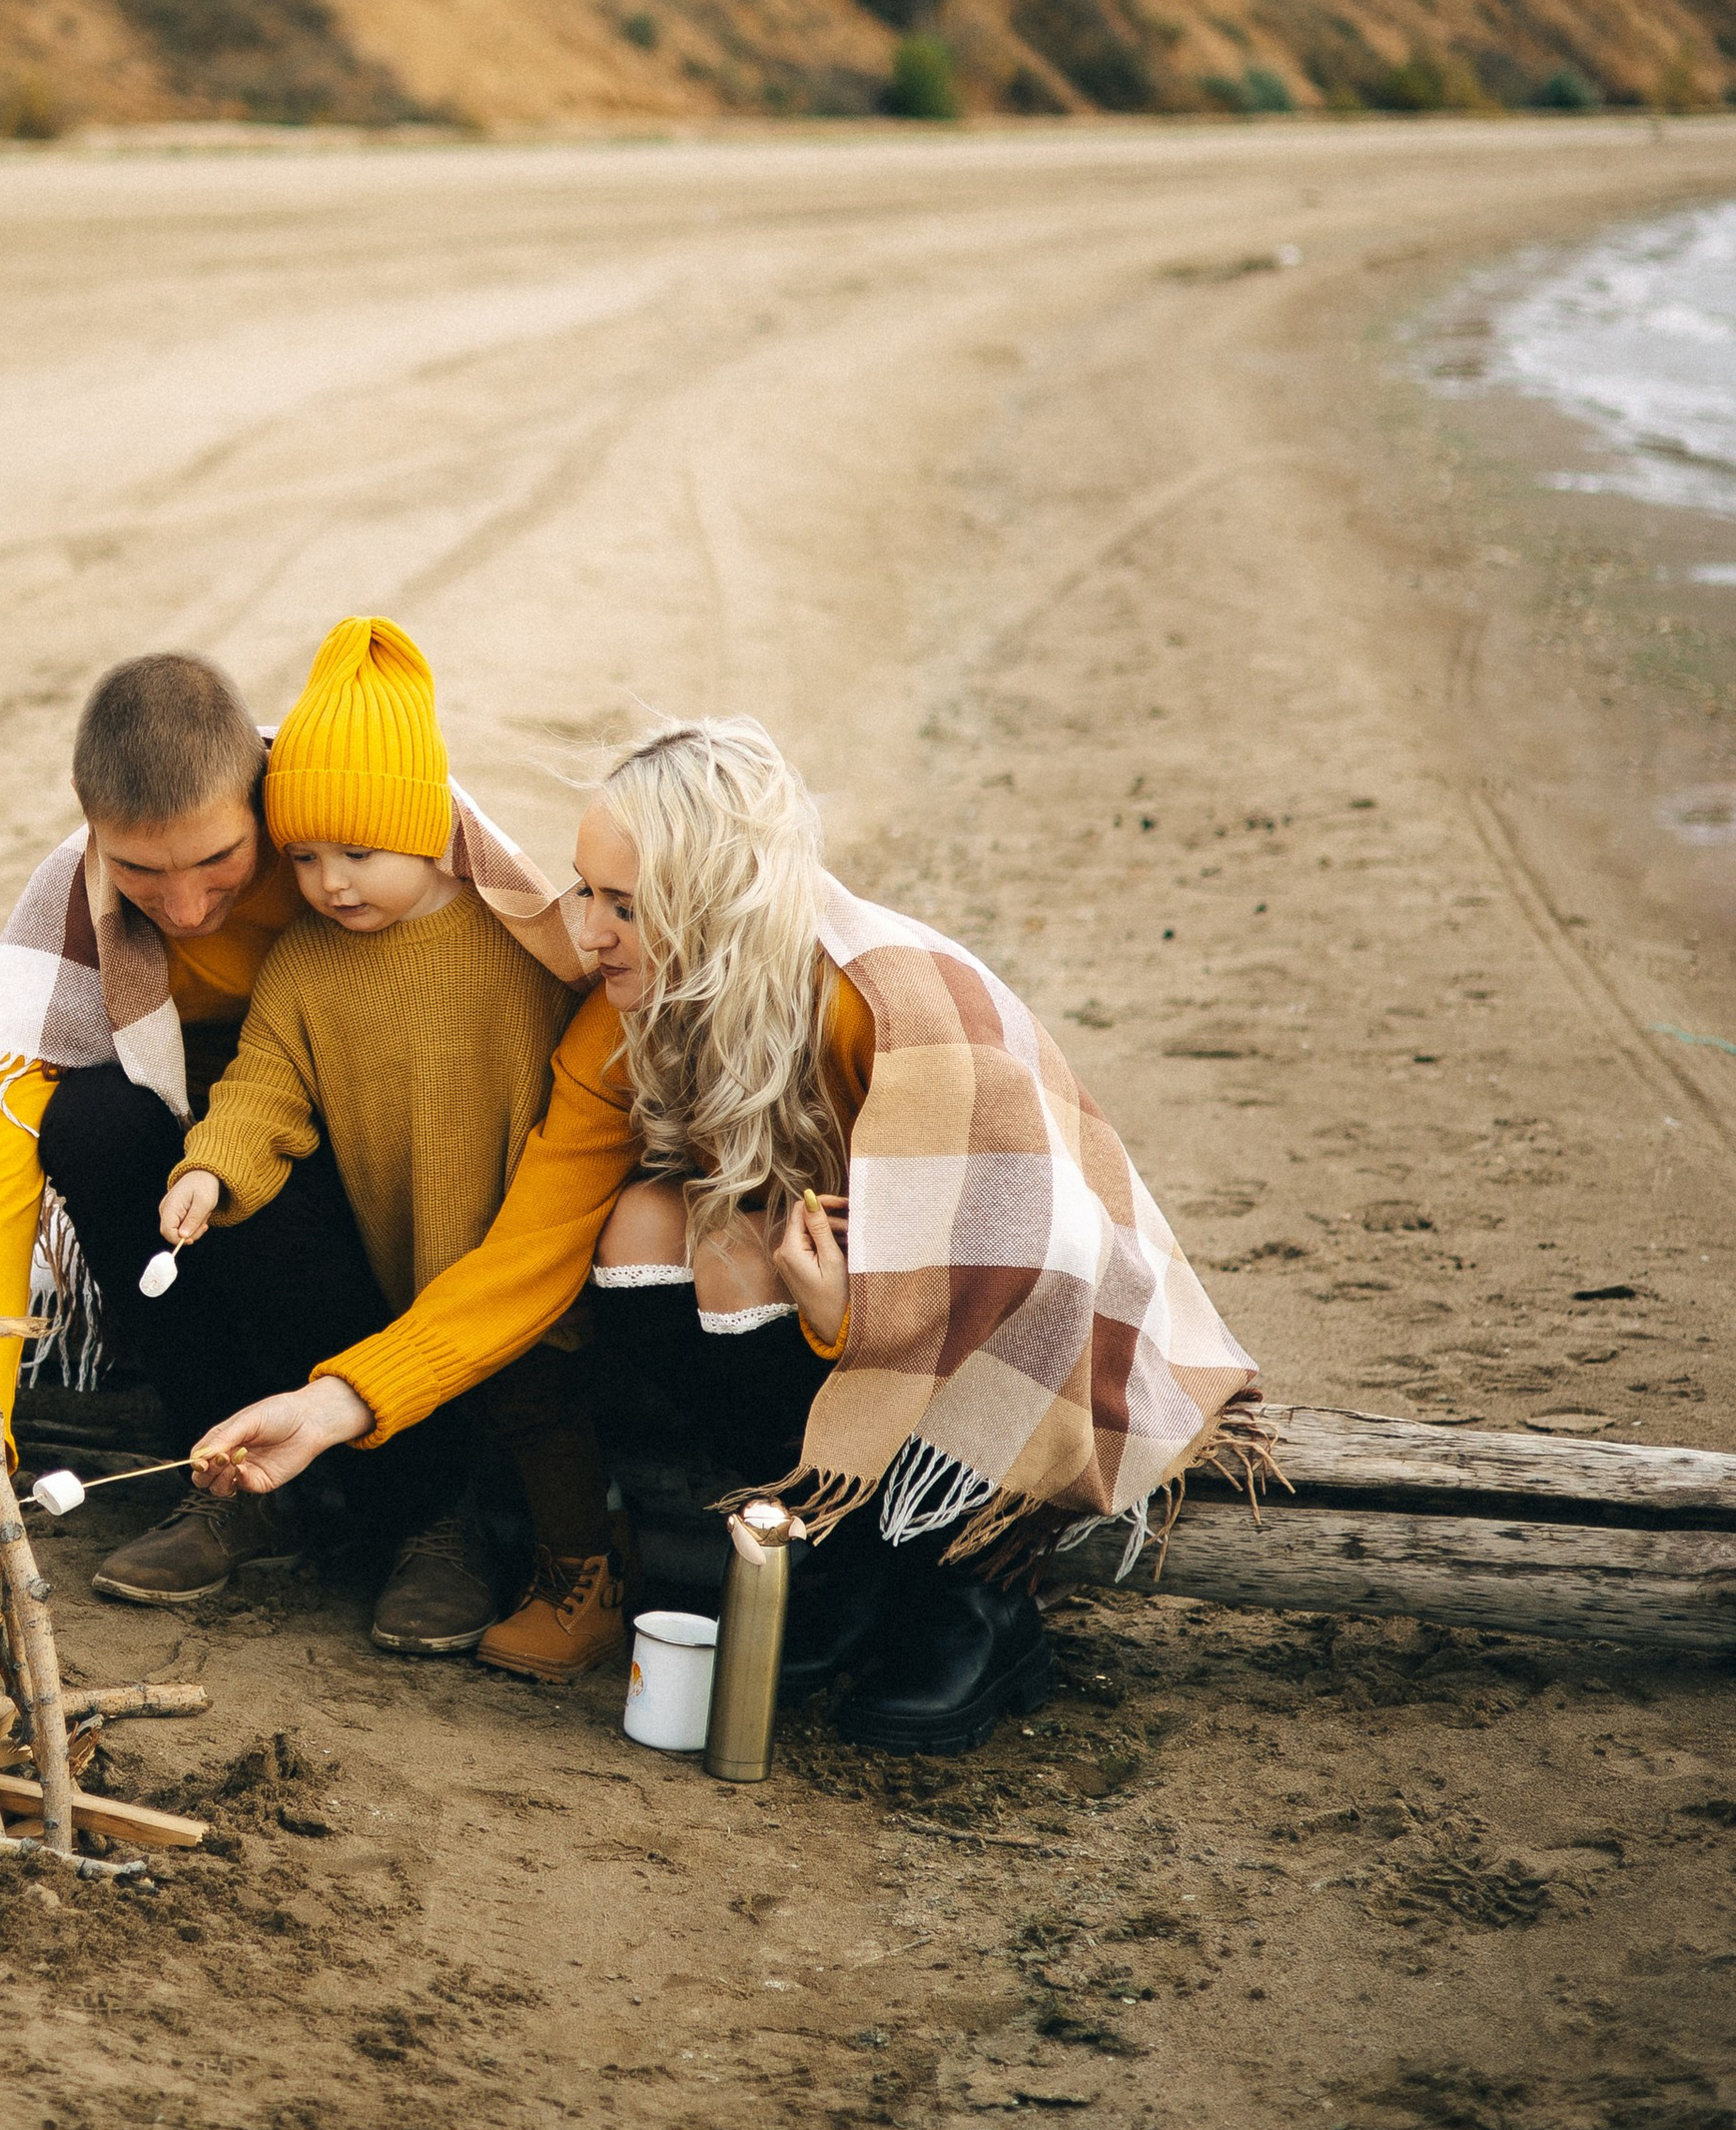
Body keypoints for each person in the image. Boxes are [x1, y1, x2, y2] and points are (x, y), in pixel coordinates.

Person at [191, 713, 1260, 1755]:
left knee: (759, 1252)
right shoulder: (624, 1018)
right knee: (651, 1223)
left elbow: (1033, 1260)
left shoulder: (886, 1010)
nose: (583, 933)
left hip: (1005, 1315)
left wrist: (858, 1315)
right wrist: (333, 1405)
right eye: (583, 891)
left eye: (625, 905)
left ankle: (972, 1596)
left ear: (719, 907)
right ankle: (833, 1554)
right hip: (835, 1294)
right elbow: (521, 1259)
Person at [159, 614, 608, 1670]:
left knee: (541, 1401)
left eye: (359, 851)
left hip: (517, 1246)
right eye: (305, 856)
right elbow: (263, 1079)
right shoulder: (306, 963)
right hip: (386, 1247)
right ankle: (416, 1537)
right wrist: (210, 1167)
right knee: (399, 1372)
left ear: (427, 829)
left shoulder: (521, 946)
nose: (330, 882)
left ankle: (582, 1564)